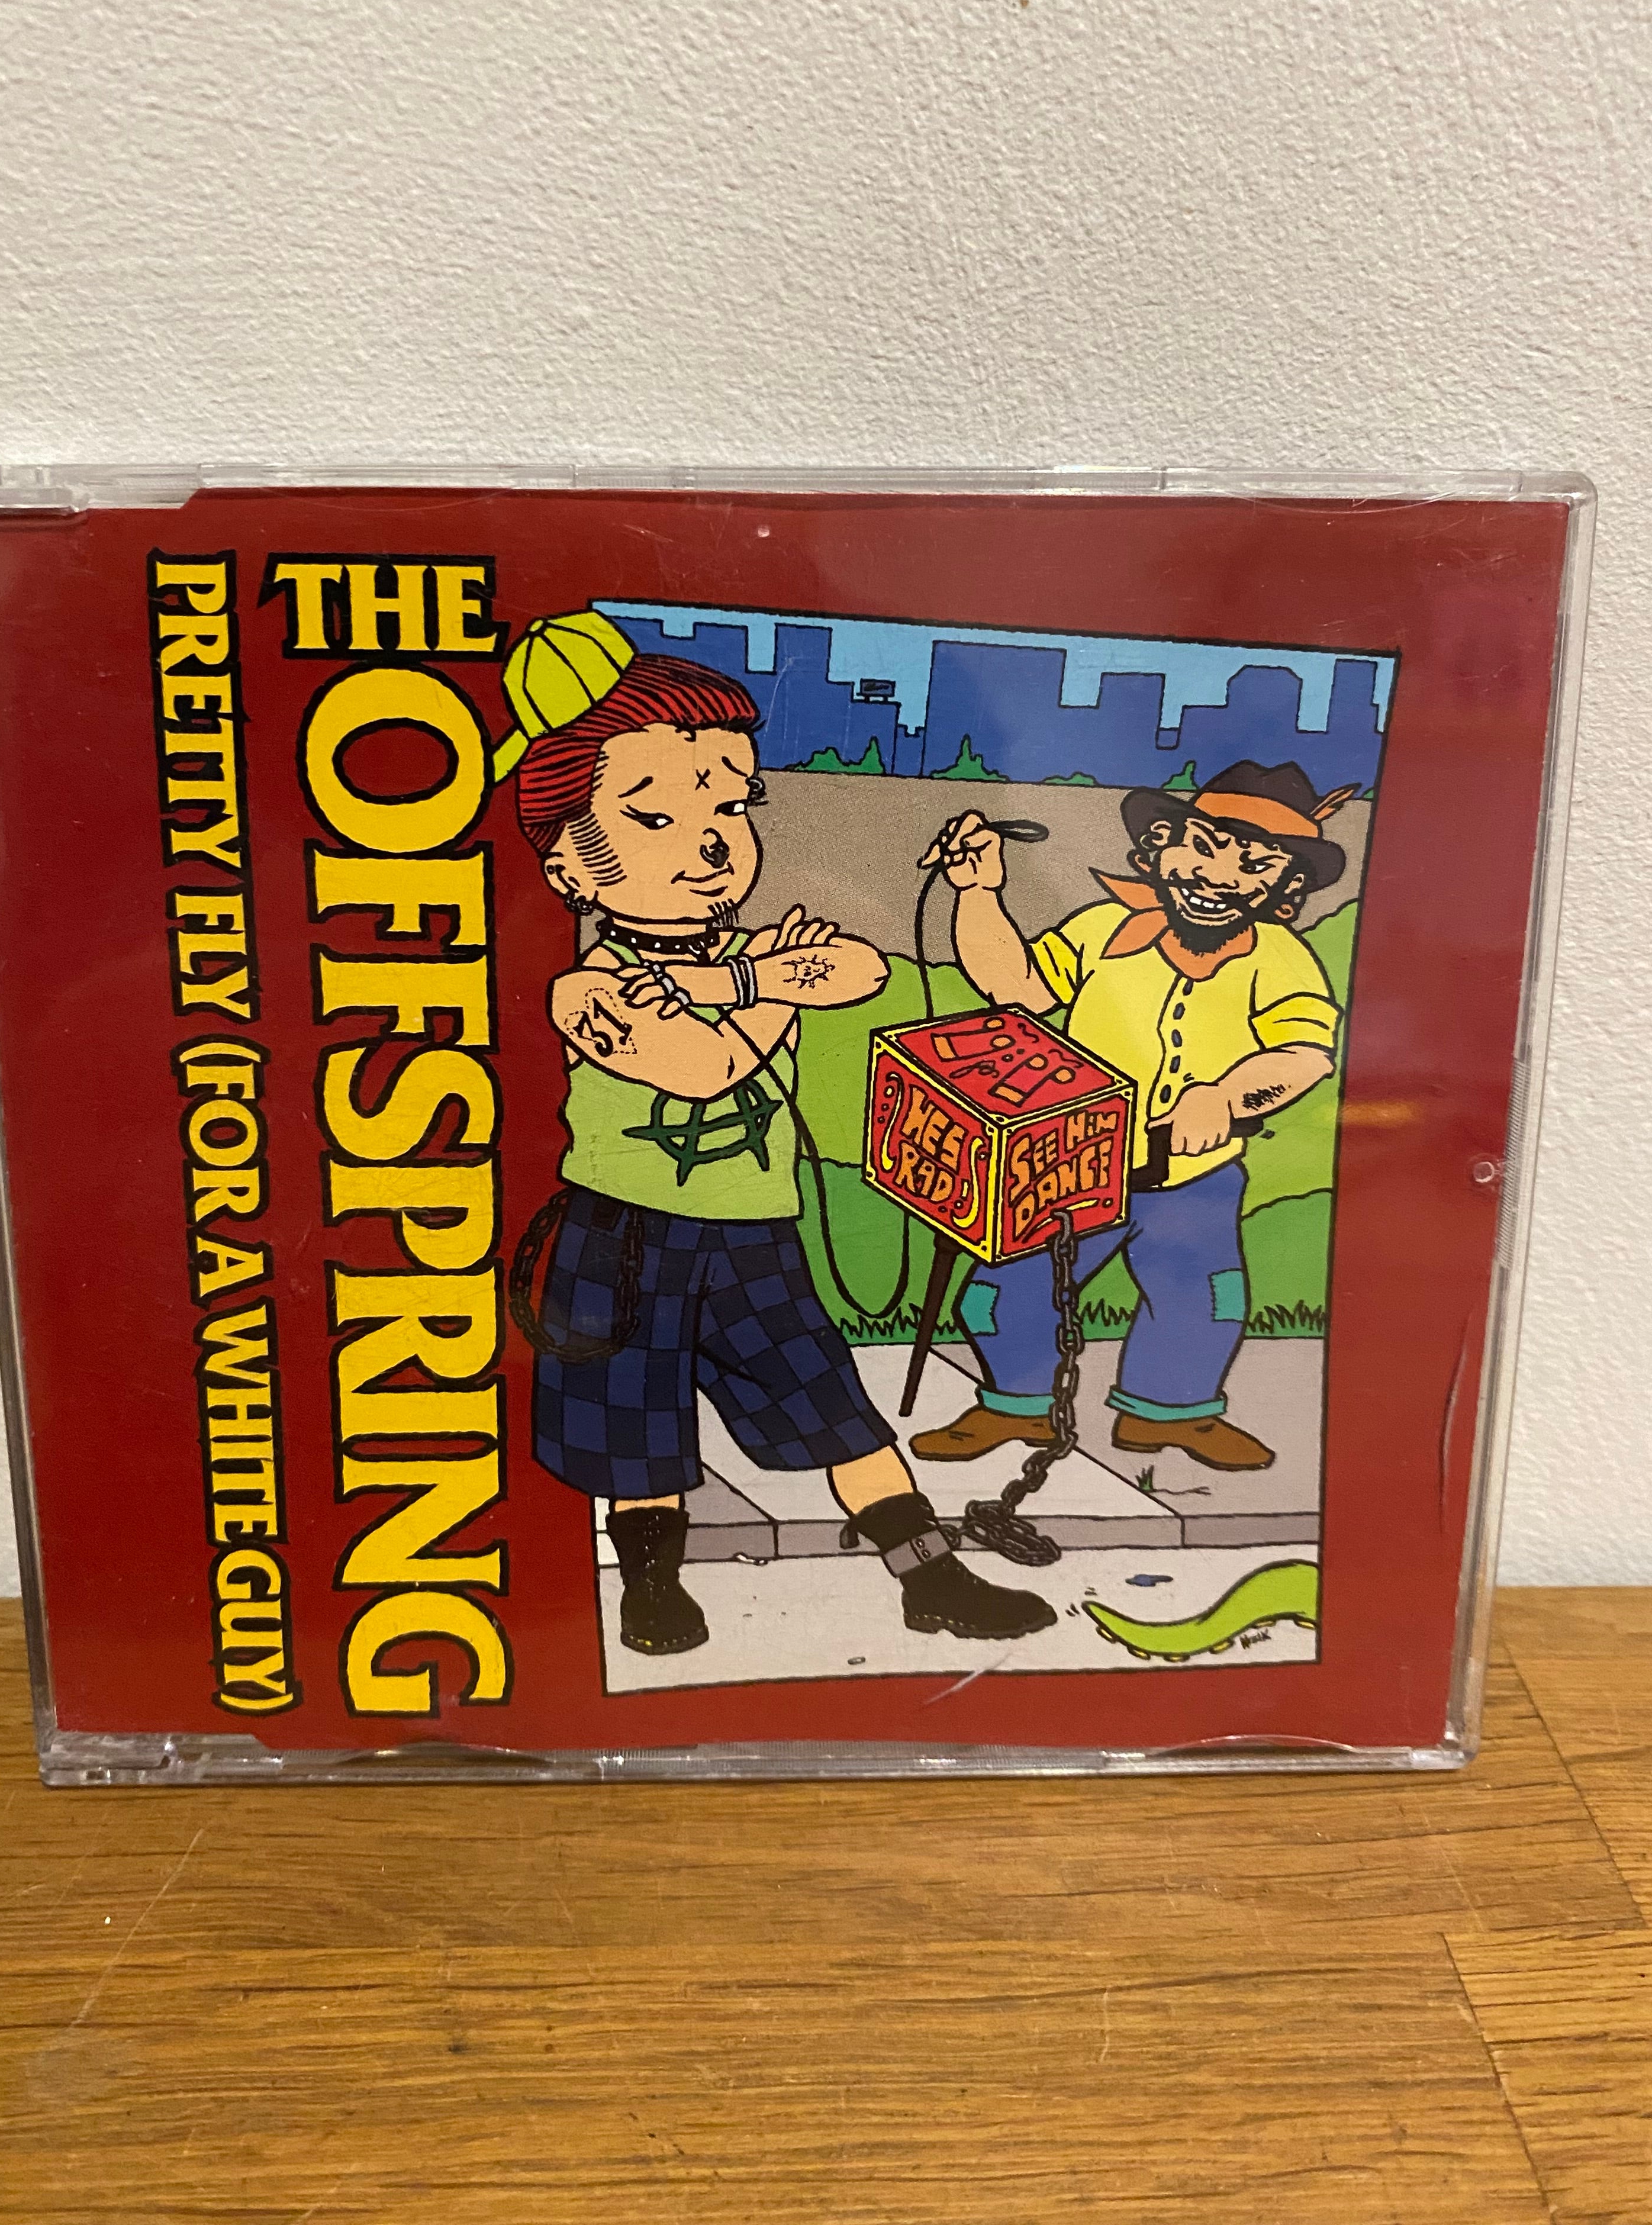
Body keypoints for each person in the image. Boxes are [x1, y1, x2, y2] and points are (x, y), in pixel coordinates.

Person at [504, 611, 1057, 1656]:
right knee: (636, 1429)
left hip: (754, 1234)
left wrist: (739, 979)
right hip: (623, 1235)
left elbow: (858, 967)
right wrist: (769, 985)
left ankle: (929, 1577)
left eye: (729, 804)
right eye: (654, 818)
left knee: (834, 1409)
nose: (711, 841)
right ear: (571, 867)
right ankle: (652, 1590)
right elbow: (702, 1065)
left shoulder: (745, 954)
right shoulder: (588, 988)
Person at [910, 762, 1350, 1474]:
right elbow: (1016, 987)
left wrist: (1225, 1097)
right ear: (1163, 845)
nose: (1218, 877)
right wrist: (979, 892)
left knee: (1204, 1298)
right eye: (1203, 847)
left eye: (1255, 864)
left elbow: (1304, 1055)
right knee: (1004, 1291)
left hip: (1195, 1177)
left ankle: (1169, 1413)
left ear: (1284, 886)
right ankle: (1015, 1406)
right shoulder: (1103, 929)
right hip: (1076, 1163)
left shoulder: (1280, 960)